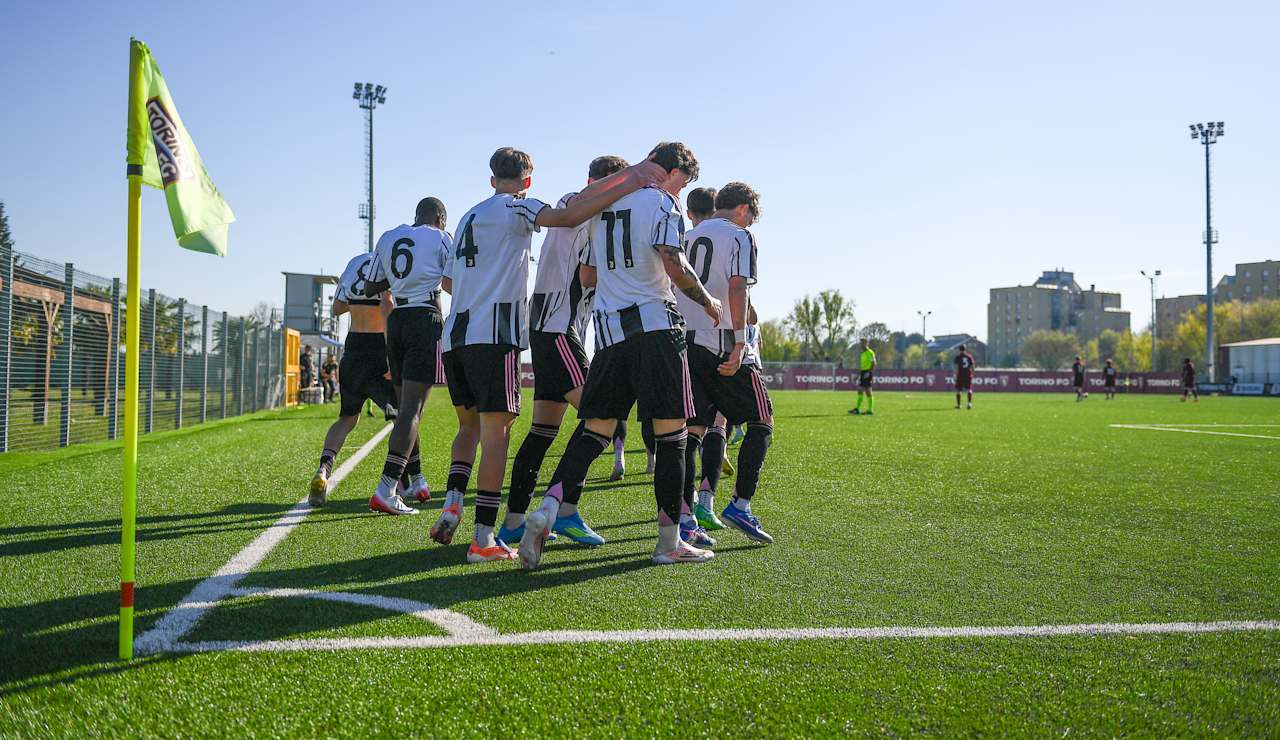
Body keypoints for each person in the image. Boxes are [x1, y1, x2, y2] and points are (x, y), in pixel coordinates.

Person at [439, 147, 663, 564]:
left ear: (492, 178)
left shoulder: (470, 214)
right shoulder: (536, 207)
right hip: (517, 330)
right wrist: (634, 178)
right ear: (528, 180)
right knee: (590, 417)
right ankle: (500, 531)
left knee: (525, 429)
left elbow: (450, 278)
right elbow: (573, 231)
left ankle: (492, 515)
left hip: (458, 334)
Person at [519, 141, 722, 569]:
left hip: (610, 333)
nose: (682, 191)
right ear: (672, 171)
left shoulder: (604, 207)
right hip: (656, 328)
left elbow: (589, 271)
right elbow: (673, 262)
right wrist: (707, 301)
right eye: (684, 181)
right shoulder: (662, 204)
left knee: (595, 429)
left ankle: (550, 506)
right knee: (673, 436)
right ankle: (668, 543)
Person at [499, 154, 633, 547]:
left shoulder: (571, 203)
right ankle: (565, 509)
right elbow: (590, 274)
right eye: (619, 183)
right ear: (599, 182)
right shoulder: (589, 210)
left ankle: (512, 521)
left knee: (542, 431)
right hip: (559, 330)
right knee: (601, 418)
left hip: (549, 328)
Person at [678, 182, 775, 544]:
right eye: (751, 216)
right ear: (743, 209)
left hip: (685, 341)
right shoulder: (739, 236)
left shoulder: (686, 236)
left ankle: (686, 518)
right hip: (720, 342)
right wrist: (738, 343)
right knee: (761, 421)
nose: (750, 223)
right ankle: (740, 505)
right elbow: (737, 288)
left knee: (692, 431)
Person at [361, 198, 452, 516]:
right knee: (412, 410)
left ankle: (417, 479)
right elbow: (454, 282)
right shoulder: (441, 236)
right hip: (424, 318)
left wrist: (402, 276)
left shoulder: (388, 236)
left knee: (405, 410)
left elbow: (372, 284)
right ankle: (386, 488)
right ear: (440, 217)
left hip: (397, 319)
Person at [308, 251, 399, 507]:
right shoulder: (387, 265)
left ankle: (323, 470)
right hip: (378, 349)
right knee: (402, 418)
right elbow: (388, 307)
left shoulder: (353, 263)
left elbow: (337, 308)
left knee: (347, 418)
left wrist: (358, 303)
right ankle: (399, 481)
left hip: (353, 348)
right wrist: (392, 358)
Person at [849, 338, 876, 415]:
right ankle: (857, 409)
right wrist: (858, 375)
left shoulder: (870, 352)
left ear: (867, 343)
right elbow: (862, 366)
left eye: (863, 343)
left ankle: (870, 410)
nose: (861, 344)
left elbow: (874, 363)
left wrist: (869, 372)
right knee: (860, 390)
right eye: (861, 343)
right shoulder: (862, 353)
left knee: (868, 391)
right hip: (863, 372)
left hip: (867, 372)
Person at [954, 343, 976, 409]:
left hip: (960, 375)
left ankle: (959, 405)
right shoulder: (969, 356)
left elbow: (956, 367)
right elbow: (973, 366)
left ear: (959, 350)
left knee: (958, 390)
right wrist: (973, 374)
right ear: (965, 349)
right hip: (968, 375)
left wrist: (955, 375)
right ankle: (969, 403)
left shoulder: (958, 357)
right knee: (969, 389)